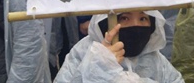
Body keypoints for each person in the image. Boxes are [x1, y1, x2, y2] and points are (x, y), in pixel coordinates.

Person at [54, 10, 184, 82]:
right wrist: (98, 69)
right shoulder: (84, 52)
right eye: (125, 18)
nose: (136, 25)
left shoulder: (155, 59)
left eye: (143, 19)